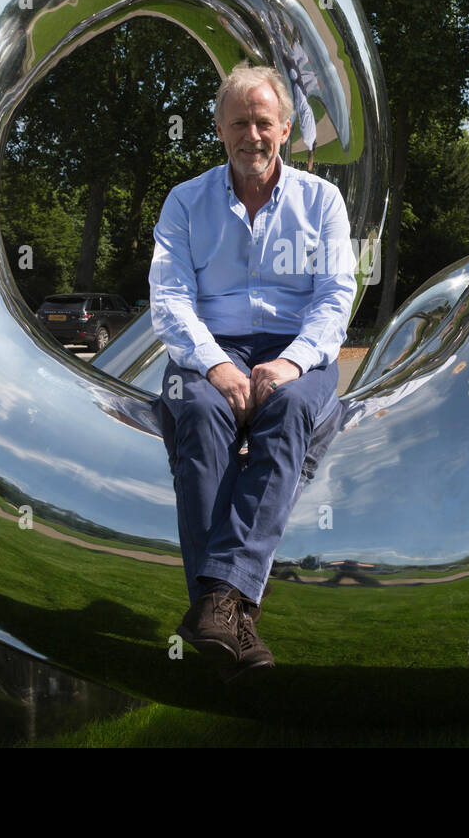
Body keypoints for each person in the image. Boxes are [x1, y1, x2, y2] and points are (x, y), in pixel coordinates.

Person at [150, 62, 357, 679]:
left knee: (296, 410)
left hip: (296, 346)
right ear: (218, 129)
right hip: (209, 346)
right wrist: (214, 363)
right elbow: (170, 297)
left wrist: (291, 361)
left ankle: (215, 607)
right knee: (198, 413)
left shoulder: (322, 201)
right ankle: (233, 615)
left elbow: (335, 294)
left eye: (263, 122)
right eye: (238, 122)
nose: (252, 135)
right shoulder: (185, 202)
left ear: (287, 129)